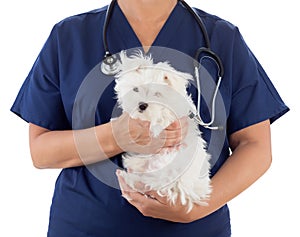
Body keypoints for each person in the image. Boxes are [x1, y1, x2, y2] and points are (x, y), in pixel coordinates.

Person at [11, 0, 289, 236]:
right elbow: (41, 151)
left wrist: (196, 206)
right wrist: (116, 136)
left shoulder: (222, 38)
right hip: (86, 225)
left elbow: (256, 145)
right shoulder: (68, 37)